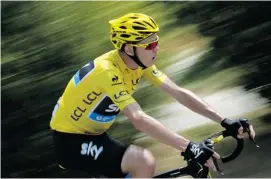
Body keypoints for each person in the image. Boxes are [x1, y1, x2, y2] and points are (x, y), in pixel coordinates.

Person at [50, 13, 256, 178]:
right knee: (143, 161)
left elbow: (179, 94)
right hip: (70, 142)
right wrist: (189, 147)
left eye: (156, 42)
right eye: (149, 45)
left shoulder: (138, 64)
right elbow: (139, 120)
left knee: (141, 165)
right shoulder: (108, 71)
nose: (156, 48)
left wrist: (224, 121)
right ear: (129, 48)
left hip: (96, 136)